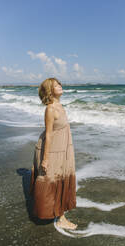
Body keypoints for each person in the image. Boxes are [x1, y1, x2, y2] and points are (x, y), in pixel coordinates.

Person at [30, 77, 78, 230]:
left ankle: (60, 215)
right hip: (52, 150)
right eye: (56, 85)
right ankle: (60, 218)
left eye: (59, 83)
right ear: (50, 90)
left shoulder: (60, 105)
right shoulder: (50, 109)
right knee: (54, 181)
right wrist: (45, 159)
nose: (60, 85)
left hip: (62, 148)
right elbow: (49, 135)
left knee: (61, 179)